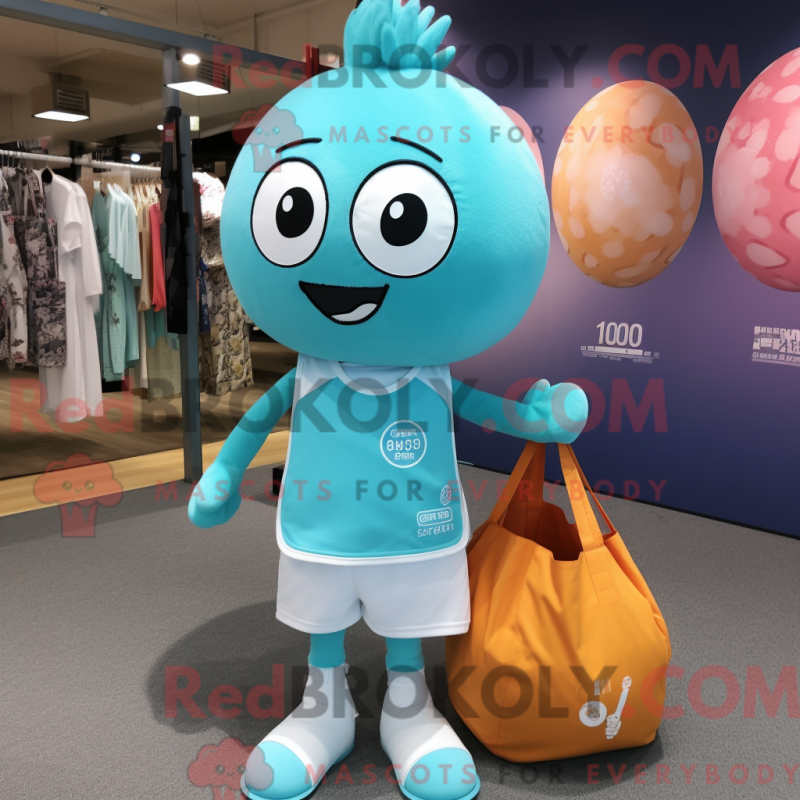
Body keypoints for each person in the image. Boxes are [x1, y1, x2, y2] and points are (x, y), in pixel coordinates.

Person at [189, 2, 588, 798]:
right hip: (321, 524)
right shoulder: (310, 369)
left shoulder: (428, 371)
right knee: (324, 617)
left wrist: (531, 420)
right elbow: (264, 414)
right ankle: (323, 707)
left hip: (418, 524)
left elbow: (473, 403)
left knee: (410, 616)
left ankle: (410, 710)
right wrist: (225, 474)